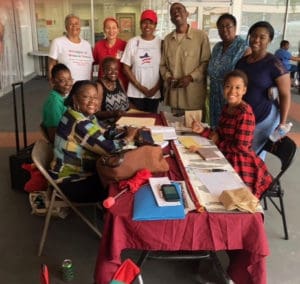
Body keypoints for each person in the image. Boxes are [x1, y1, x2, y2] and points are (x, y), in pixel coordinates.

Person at [49, 80, 138, 203]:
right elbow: (109, 148)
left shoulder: (80, 114)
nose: (92, 101)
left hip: (79, 172)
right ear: (74, 98)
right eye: (86, 97)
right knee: (122, 185)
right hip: (71, 181)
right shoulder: (80, 122)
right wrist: (129, 137)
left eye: (95, 97)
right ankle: (111, 219)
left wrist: (124, 130)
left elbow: (102, 131)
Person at [191, 70, 272, 199]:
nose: (232, 91)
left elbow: (241, 147)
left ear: (244, 90)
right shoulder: (227, 107)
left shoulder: (244, 113)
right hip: (224, 153)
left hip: (239, 162)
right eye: (228, 86)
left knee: (214, 190)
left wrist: (217, 141)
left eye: (237, 87)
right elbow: (219, 135)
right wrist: (203, 131)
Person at [236, 21, 291, 157]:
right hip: (243, 117)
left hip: (263, 118)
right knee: (239, 153)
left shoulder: (274, 64)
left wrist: (282, 123)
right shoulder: (242, 62)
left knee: (253, 157)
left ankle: (254, 178)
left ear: (270, 40)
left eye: (262, 37)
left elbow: (285, 94)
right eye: (253, 35)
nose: (256, 40)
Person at [160, 2, 211, 115]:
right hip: (174, 98)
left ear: (187, 14)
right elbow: (162, 65)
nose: (176, 12)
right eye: (172, 11)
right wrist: (168, 78)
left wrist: (190, 77)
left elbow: (206, 62)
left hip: (193, 98)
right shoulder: (168, 39)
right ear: (171, 18)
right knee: (175, 129)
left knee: (195, 131)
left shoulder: (201, 36)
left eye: (179, 9)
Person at [208, 13, 251, 129]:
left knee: (228, 132)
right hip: (214, 96)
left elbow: (245, 77)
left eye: (228, 26)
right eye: (221, 27)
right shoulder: (217, 47)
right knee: (215, 131)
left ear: (235, 27)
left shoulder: (244, 48)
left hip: (231, 97)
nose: (224, 30)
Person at [121, 9, 161, 113]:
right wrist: (140, 87)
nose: (147, 26)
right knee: (135, 123)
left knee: (152, 123)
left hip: (154, 93)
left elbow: (164, 69)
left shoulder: (161, 43)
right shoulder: (132, 42)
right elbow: (125, 67)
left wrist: (156, 88)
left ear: (155, 25)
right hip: (135, 93)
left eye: (151, 23)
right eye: (144, 22)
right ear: (140, 24)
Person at [48, 14, 93, 83]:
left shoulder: (87, 45)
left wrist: (90, 83)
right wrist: (52, 83)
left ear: (80, 26)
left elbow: (90, 67)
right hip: (65, 88)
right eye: (71, 24)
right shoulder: (58, 42)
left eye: (76, 23)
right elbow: (51, 65)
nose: (74, 26)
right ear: (66, 27)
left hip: (84, 88)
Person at [93, 17, 128, 90]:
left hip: (121, 85)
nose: (111, 31)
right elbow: (94, 66)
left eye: (114, 28)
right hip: (103, 86)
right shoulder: (98, 46)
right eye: (108, 28)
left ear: (118, 30)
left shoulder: (125, 45)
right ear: (104, 30)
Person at [42, 63, 73, 143]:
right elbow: (54, 136)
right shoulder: (54, 102)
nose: (67, 84)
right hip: (63, 143)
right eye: (62, 81)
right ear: (53, 81)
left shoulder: (63, 97)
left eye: (69, 79)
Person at [96, 57, 130, 121]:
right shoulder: (99, 86)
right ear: (104, 70)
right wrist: (114, 113)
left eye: (116, 69)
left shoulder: (118, 81)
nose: (113, 72)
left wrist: (141, 112)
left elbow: (127, 102)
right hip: (109, 123)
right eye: (110, 69)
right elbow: (96, 113)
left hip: (125, 119)